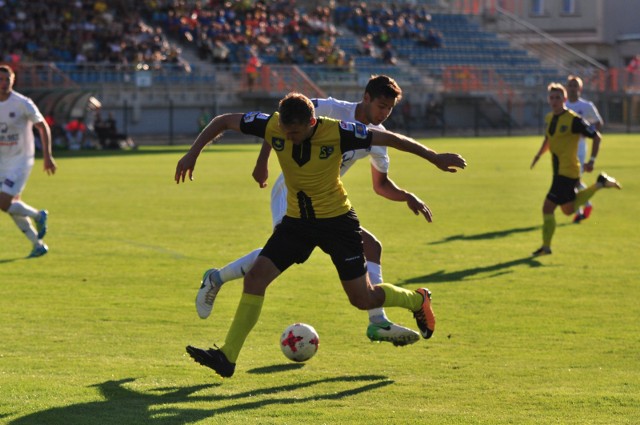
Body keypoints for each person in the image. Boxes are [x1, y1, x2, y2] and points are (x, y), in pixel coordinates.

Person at [175, 92, 467, 378]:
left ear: (312, 124)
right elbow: (224, 120)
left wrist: (434, 157)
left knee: (363, 298)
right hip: (297, 224)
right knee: (256, 278)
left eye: (295, 133)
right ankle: (227, 357)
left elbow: (390, 139)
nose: (289, 138)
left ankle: (417, 301)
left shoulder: (339, 132)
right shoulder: (273, 125)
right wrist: (192, 153)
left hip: (337, 224)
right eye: (285, 132)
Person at [195, 75, 433, 347]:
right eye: (381, 105)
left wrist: (406, 196)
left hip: (325, 202)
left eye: (389, 109)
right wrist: (263, 161)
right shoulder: (330, 108)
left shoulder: (376, 138)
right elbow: (280, 120)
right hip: (291, 190)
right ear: (366, 97)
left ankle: (378, 321)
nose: (384, 113)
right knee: (280, 251)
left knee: (372, 247)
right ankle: (215, 279)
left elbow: (380, 185)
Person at [530, 83, 621, 257]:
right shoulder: (549, 118)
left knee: (547, 208)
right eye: (552, 97)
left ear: (564, 100)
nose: (554, 101)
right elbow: (548, 139)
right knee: (568, 210)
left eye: (558, 97)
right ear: (548, 100)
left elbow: (596, 136)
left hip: (568, 170)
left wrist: (592, 160)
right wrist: (538, 155)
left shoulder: (573, 120)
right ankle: (600, 184)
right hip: (558, 171)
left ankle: (546, 247)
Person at [0, 65, 56, 258]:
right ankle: (37, 245)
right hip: (2, 162)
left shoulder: (22, 103)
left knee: (3, 202)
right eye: (0, 80)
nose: (3, 83)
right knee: (12, 206)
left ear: (13, 81)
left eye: (7, 80)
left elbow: (42, 126)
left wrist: (47, 156)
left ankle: (38, 215)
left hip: (20, 161)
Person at [565, 75, 604, 223]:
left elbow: (598, 123)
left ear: (580, 88)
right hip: (565, 149)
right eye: (570, 85)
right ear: (567, 88)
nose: (573, 88)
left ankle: (580, 210)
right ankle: (585, 206)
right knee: (572, 181)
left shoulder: (586, 106)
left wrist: (589, 133)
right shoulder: (564, 105)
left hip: (579, 147)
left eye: (575, 85)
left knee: (573, 180)